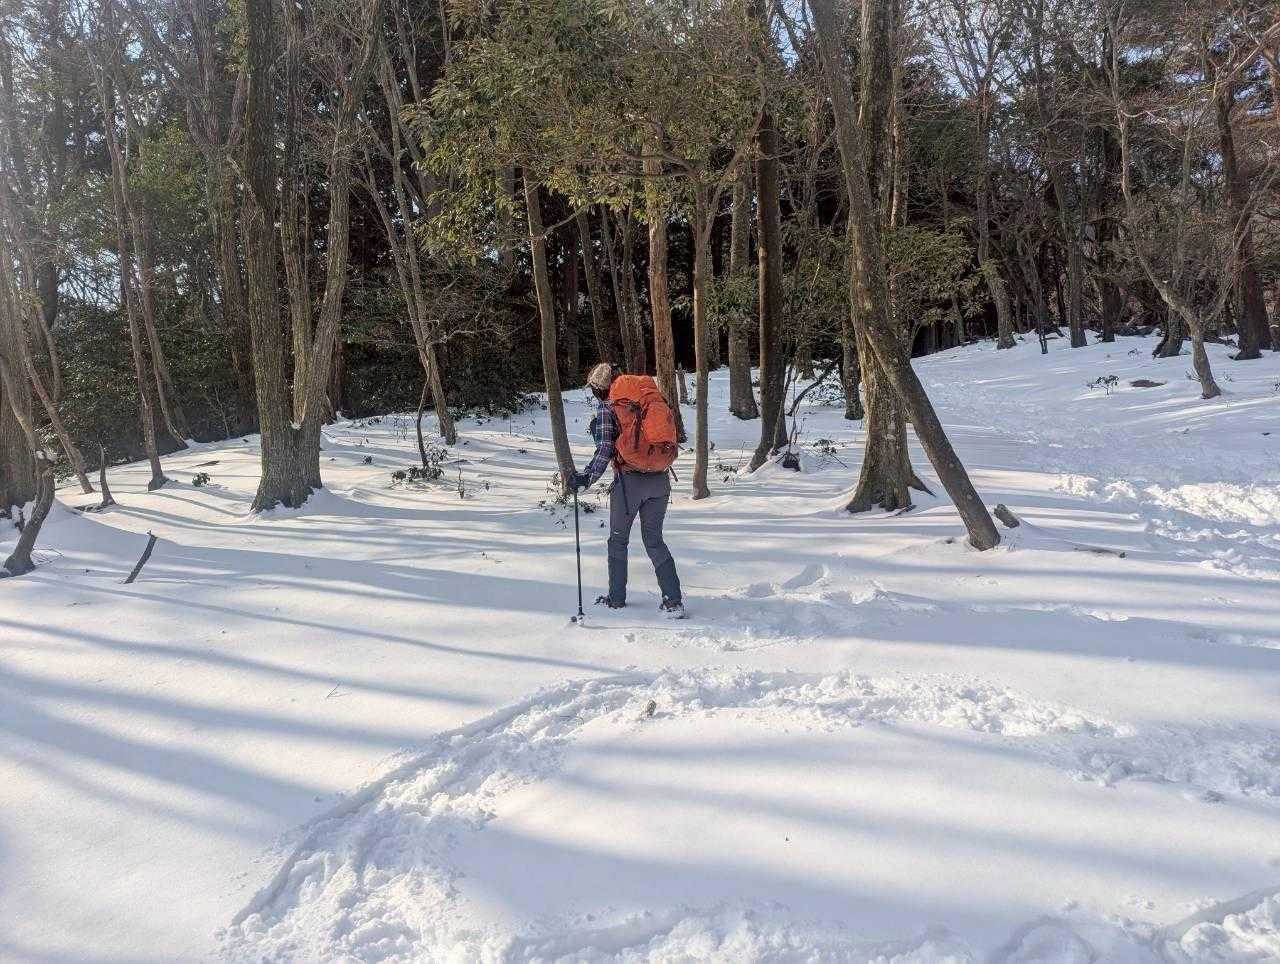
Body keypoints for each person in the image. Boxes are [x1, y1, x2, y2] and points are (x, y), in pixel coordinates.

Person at [569, 362, 685, 617]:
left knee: (618, 540)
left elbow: (604, 449)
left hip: (629, 482)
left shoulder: (609, 405)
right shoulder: (646, 398)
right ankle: (673, 601)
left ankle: (616, 599)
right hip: (660, 479)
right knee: (654, 540)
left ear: (599, 388)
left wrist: (586, 478)